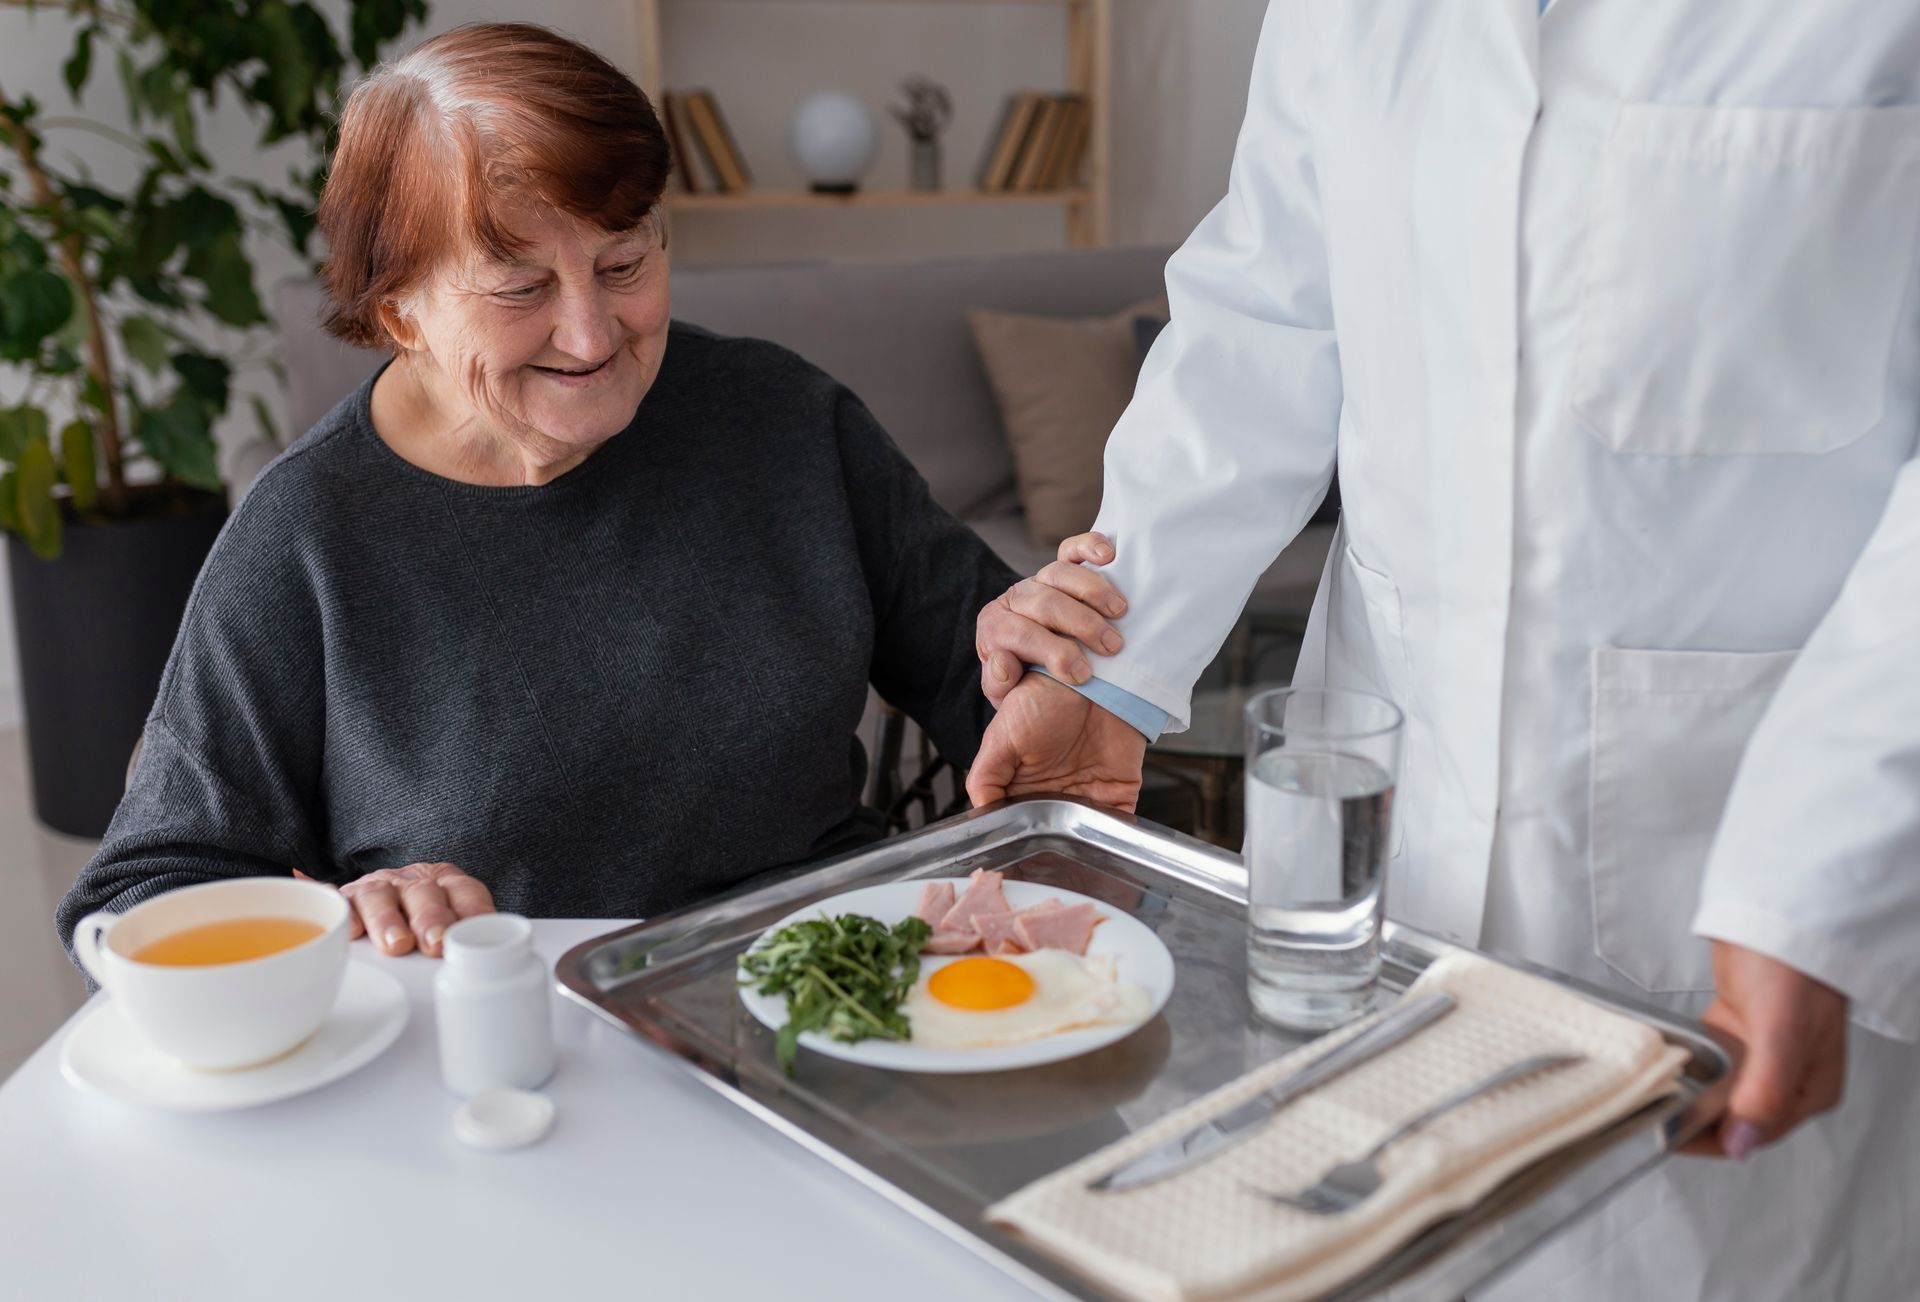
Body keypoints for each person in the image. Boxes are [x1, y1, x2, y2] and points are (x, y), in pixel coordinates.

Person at [966, 3, 1920, 1298]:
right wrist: (1115, 667)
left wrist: (1811, 886)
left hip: (1747, 869)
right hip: (1378, 858)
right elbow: (1265, 313)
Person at [55, 23, 1118, 961]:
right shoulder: (310, 534)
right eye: (520, 286)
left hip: (830, 1000)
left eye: (623, 263)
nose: (591, 334)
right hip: (514, 1059)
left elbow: (993, 693)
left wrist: (1047, 676)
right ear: (398, 311)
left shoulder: (783, 417)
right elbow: (136, 895)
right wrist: (347, 917)